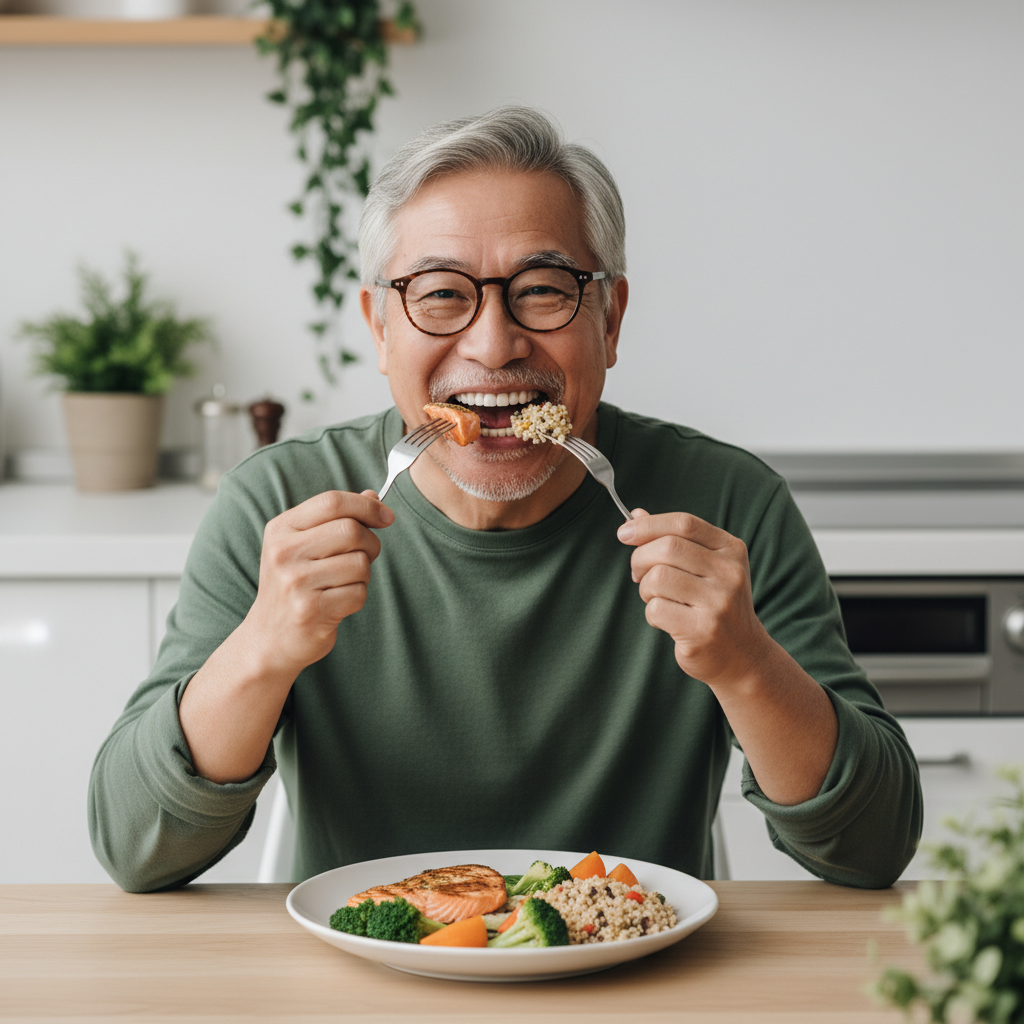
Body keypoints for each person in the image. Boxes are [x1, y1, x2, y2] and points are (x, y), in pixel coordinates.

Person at [89, 107, 922, 892]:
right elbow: (136, 848)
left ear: (611, 320)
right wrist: (262, 649)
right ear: (380, 328)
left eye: (544, 289)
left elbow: (873, 850)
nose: (493, 344)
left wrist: (747, 664)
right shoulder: (279, 504)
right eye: (442, 293)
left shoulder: (726, 505)